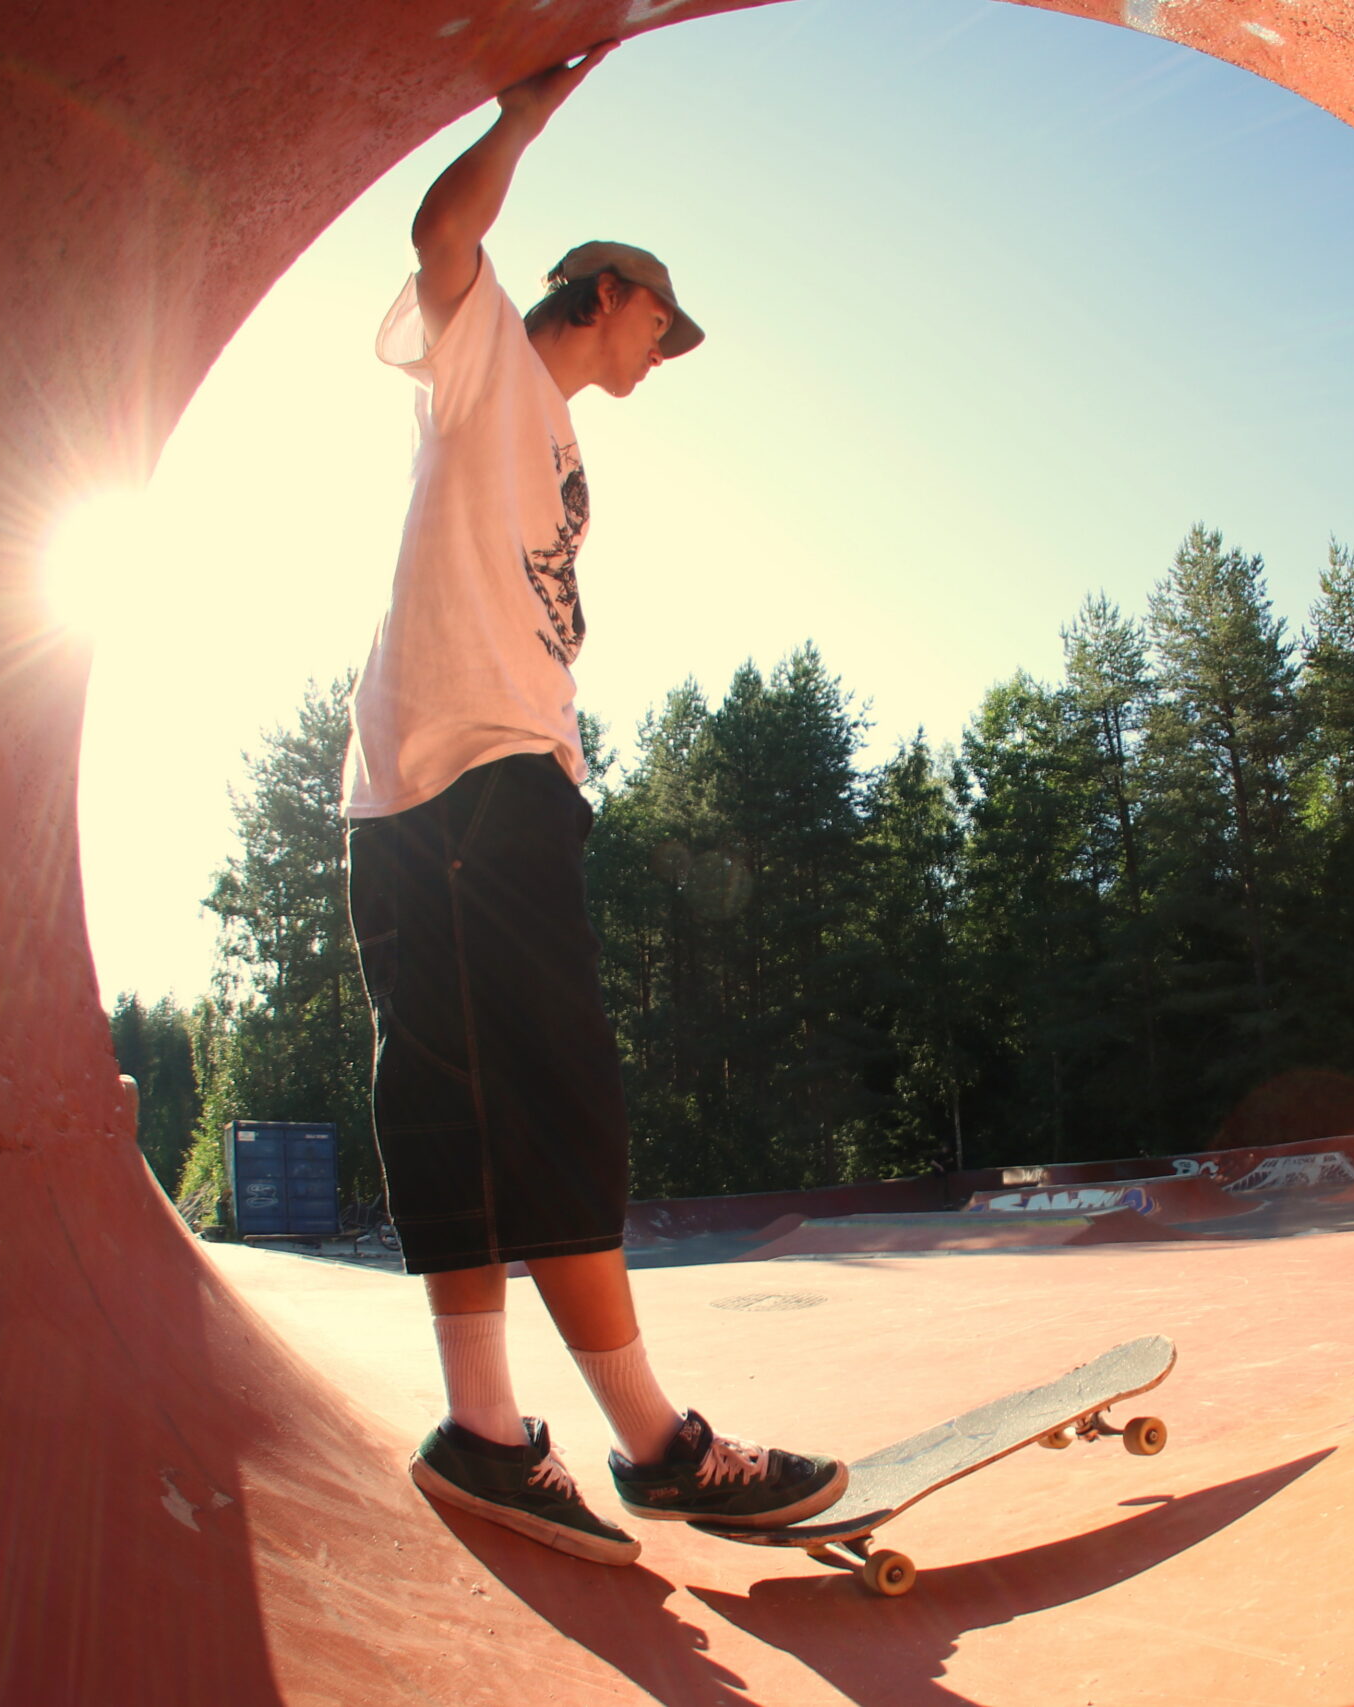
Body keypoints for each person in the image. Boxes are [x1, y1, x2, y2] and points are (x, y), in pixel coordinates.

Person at [340, 42, 845, 1566]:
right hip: (470, 772)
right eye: (656, 324)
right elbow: (440, 234)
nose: (662, 353)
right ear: (602, 293)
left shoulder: (556, 435)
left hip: (453, 783)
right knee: (552, 1092)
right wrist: (523, 115)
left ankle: (486, 1435)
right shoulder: (485, 354)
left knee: (459, 1098)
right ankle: (656, 1446)